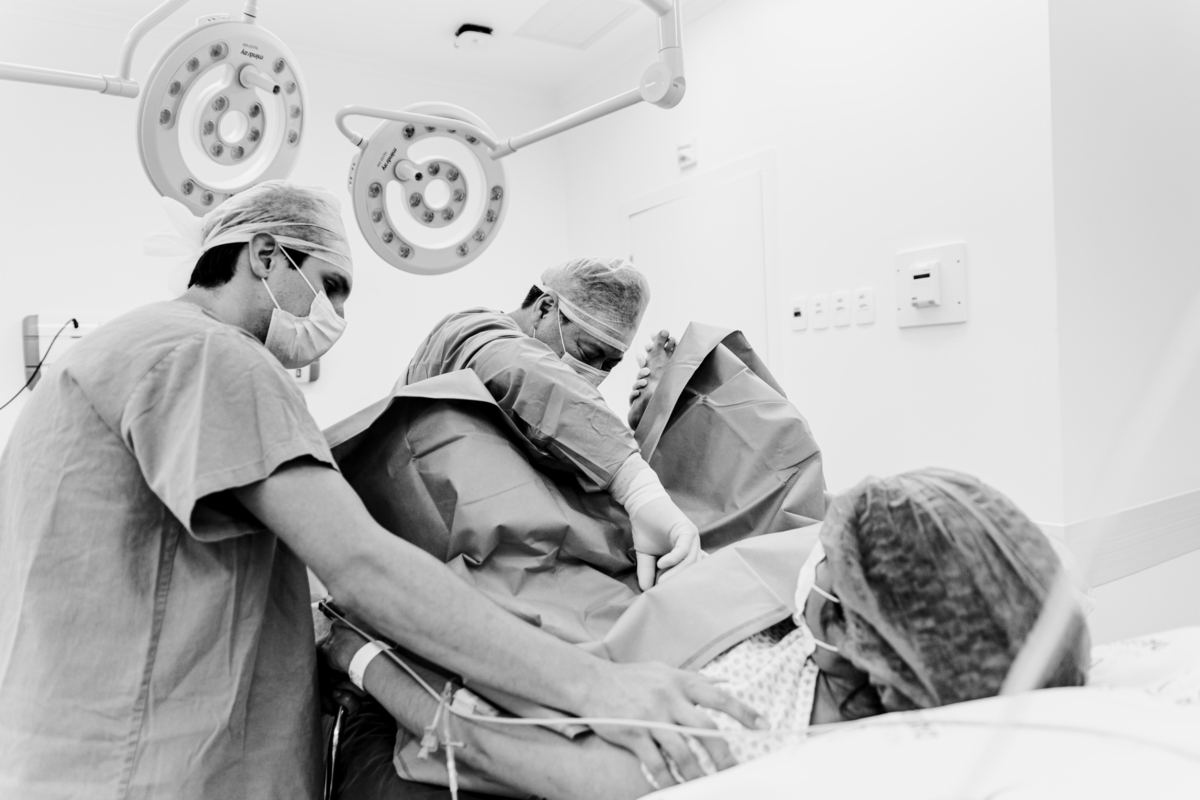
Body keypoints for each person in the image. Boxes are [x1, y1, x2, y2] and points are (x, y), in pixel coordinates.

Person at [0, 182, 762, 800]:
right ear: (264, 255)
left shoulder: (108, 355)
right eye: (331, 284)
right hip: (159, 771)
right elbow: (359, 566)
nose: (337, 314)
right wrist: (601, 686)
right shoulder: (210, 357)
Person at [323, 468, 1092, 799]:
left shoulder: (738, 730)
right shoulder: (900, 628)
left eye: (827, 559)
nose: (812, 553)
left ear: (850, 626)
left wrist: (349, 651)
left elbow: (473, 737)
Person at [404, 257, 700, 590]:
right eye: (588, 353)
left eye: (610, 365)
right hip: (450, 545)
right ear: (545, 308)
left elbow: (563, 431)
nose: (596, 373)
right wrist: (638, 486)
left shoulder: (559, 399)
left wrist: (640, 427)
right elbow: (532, 379)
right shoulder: (470, 333)